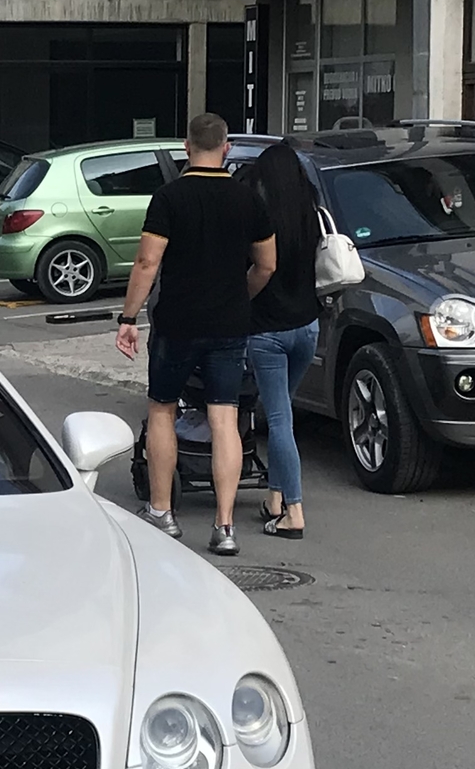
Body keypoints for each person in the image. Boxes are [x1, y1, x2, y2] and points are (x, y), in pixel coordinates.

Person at [116, 113, 276, 555]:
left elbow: (148, 263)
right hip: (229, 324)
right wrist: (240, 295)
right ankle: (224, 526)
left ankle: (162, 512)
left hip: (177, 323)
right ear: (226, 148)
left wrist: (128, 318)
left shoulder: (169, 197)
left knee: (163, 409)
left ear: (187, 148)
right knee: (225, 416)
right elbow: (267, 264)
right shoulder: (248, 200)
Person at [243, 139, 325, 540]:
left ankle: (293, 510)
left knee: (278, 421)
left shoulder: (260, 213)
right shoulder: (310, 211)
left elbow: (259, 267)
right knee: (284, 415)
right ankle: (274, 499)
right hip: (308, 326)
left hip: (268, 331)